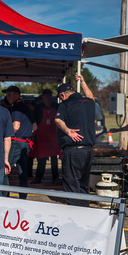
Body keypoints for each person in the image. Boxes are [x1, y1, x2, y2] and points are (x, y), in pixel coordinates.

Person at [54, 73, 96, 207]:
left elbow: (57, 119)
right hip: (88, 151)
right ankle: (84, 210)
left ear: (62, 95)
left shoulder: (65, 104)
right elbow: (90, 95)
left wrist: (67, 131)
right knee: (83, 185)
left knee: (72, 184)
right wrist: (83, 82)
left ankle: (74, 215)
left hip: (73, 151)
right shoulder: (89, 102)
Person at [2, 85, 36, 198]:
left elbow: (15, 126)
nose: (7, 97)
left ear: (17, 95)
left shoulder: (16, 107)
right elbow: (35, 127)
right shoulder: (26, 107)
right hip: (25, 143)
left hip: (16, 142)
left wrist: (5, 134)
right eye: (7, 95)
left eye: (9, 94)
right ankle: (22, 197)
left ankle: (5, 195)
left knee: (5, 169)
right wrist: (26, 133)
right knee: (23, 173)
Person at [30, 89, 61, 185]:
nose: (48, 97)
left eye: (50, 95)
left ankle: (55, 177)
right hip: (42, 136)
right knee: (41, 158)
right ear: (43, 97)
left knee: (54, 159)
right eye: (46, 95)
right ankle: (38, 177)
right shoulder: (38, 108)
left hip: (54, 137)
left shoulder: (56, 106)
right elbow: (34, 121)